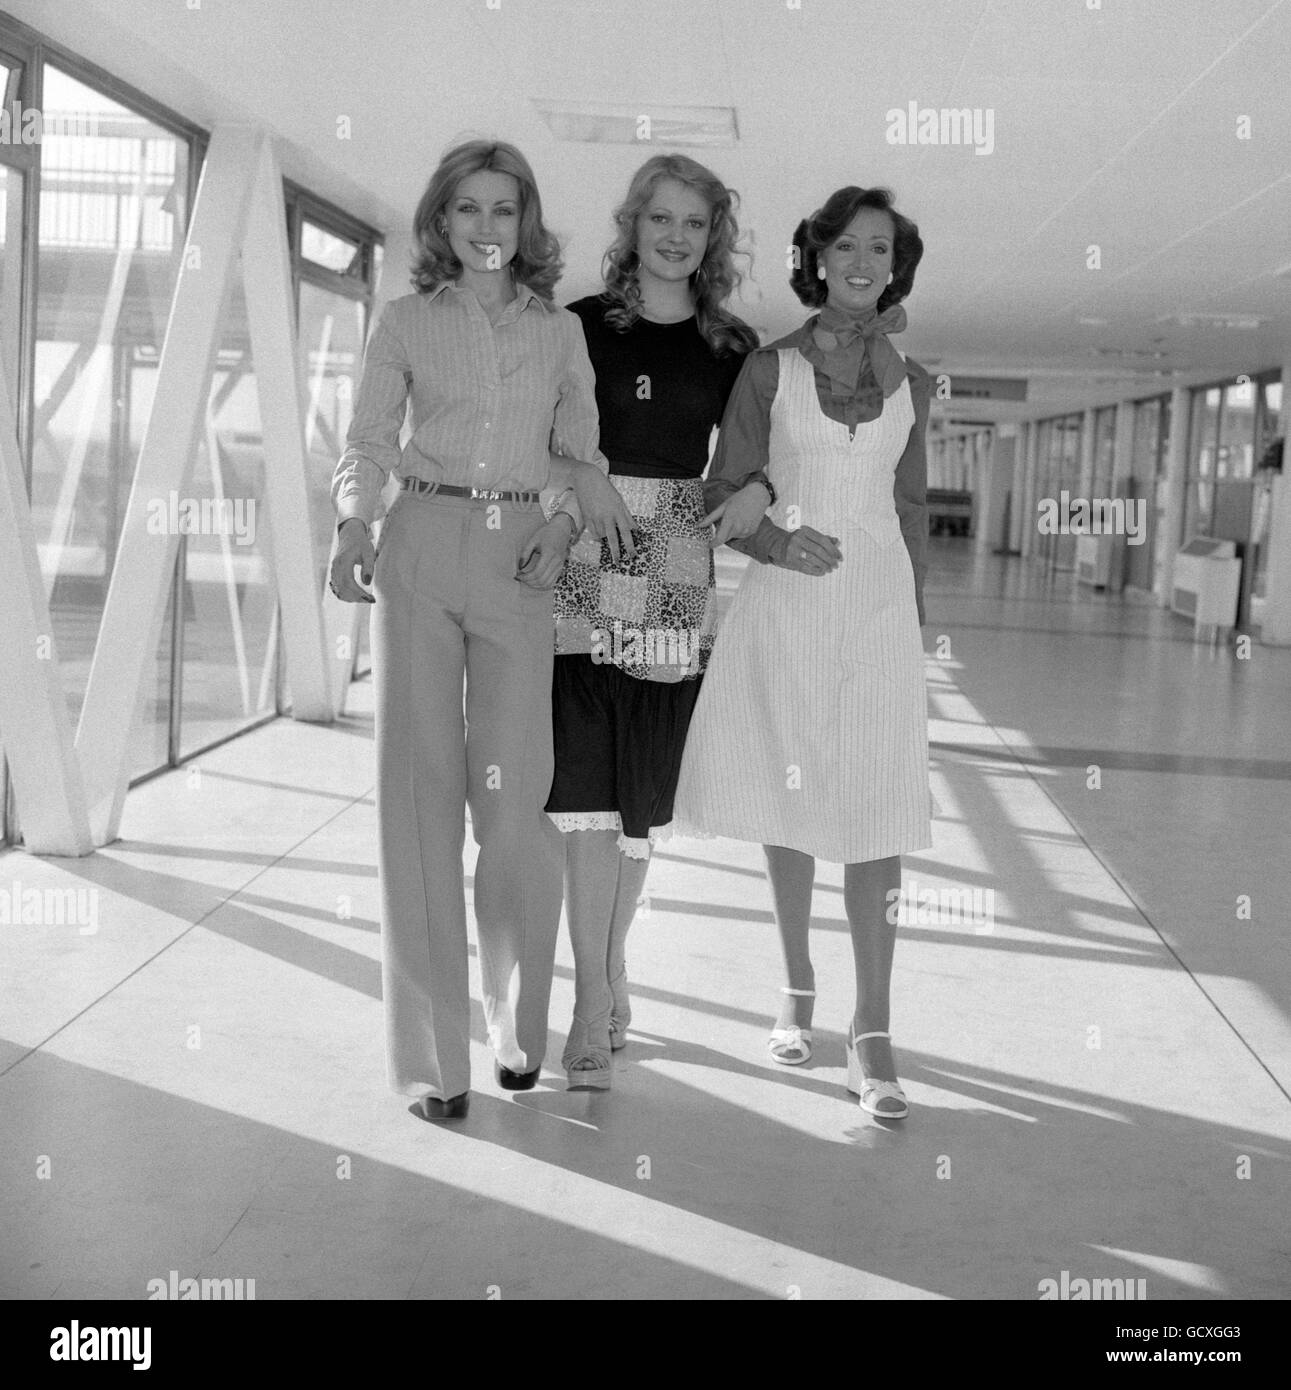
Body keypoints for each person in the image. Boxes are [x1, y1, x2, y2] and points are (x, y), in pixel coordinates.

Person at [329, 140, 632, 1120]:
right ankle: (431, 1063)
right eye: (469, 209)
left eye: (505, 210)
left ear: (527, 224)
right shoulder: (406, 321)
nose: (487, 228)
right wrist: (350, 525)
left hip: (517, 561)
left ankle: (511, 1023)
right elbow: (369, 441)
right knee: (419, 806)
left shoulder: (558, 335)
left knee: (513, 813)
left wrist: (558, 524)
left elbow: (578, 455)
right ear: (441, 222)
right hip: (418, 539)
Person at [674, 185, 934, 1120]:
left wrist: (914, 626)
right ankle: (793, 988)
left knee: (876, 809)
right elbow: (722, 489)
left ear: (894, 266)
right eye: (846, 246)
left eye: (881, 249)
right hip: (788, 602)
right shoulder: (766, 372)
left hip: (876, 614)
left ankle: (873, 1029)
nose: (863, 262)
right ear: (817, 258)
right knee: (792, 799)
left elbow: (908, 510)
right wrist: (779, 541)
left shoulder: (913, 382)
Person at [546, 154, 761, 1088]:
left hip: (672, 554)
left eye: (695, 223)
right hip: (586, 544)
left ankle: (608, 964)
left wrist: (752, 491)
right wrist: (577, 479)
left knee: (638, 799)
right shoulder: (579, 327)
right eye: (660, 218)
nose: (676, 236)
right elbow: (546, 435)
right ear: (632, 223)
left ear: (712, 238)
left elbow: (755, 461)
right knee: (584, 792)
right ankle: (590, 1008)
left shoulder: (730, 346)